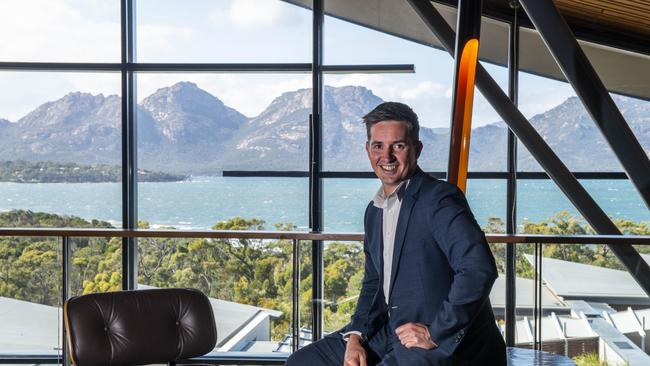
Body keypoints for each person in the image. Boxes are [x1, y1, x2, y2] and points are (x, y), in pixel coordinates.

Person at [286, 102, 506, 365]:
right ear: (368, 150)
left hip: (439, 342)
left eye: (398, 146)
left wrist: (436, 332)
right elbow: (373, 283)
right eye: (378, 146)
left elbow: (477, 268)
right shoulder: (374, 211)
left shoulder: (438, 199)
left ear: (417, 149)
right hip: (390, 331)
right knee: (302, 362)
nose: (387, 156)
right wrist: (355, 336)